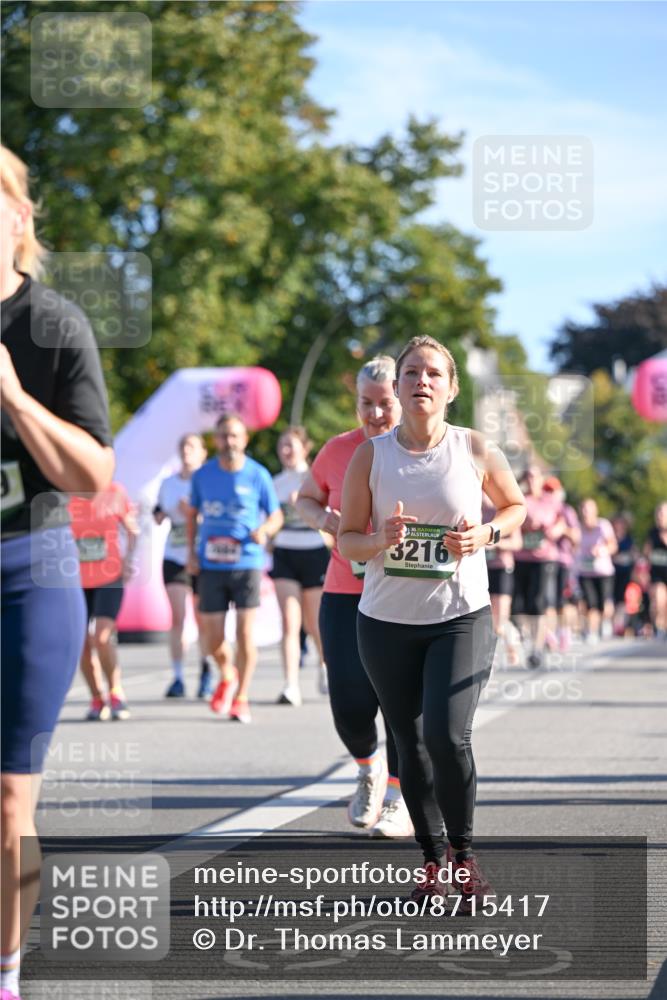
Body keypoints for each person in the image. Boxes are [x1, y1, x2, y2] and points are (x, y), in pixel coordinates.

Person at [339, 335, 526, 908]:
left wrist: (485, 534)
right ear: (396, 387)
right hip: (385, 621)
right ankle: (430, 859)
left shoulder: (474, 448)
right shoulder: (371, 456)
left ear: (451, 388)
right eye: (411, 372)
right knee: (410, 744)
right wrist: (379, 540)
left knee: (447, 736)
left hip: (459, 617)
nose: (421, 381)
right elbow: (348, 540)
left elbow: (517, 509)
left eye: (433, 374)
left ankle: (465, 858)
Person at [1, 145, 113, 1000]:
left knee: (9, 800)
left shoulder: (54, 326)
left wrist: (12, 395)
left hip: (27, 571)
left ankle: (5, 974)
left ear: (21, 220)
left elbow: (92, 476)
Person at [296, 357, 412, 838]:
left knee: (402, 704)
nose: (376, 414)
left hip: (406, 594)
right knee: (348, 699)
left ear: (402, 401)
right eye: (367, 404)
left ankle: (398, 796)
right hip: (345, 591)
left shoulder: (422, 451)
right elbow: (306, 498)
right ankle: (367, 766)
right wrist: (324, 519)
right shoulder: (339, 449)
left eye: (385, 404)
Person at [186, 413, 283, 724]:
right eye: (223, 436)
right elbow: (191, 515)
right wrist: (190, 552)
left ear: (244, 440)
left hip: (247, 563)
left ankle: (241, 696)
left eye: (234, 436)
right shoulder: (203, 475)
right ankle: (227, 674)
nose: (229, 442)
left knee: (244, 633)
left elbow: (276, 515)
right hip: (211, 563)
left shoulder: (258, 475)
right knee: (211, 640)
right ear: (215, 441)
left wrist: (265, 530)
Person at [68, 482, 139, 720]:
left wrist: (129, 559)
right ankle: (97, 698)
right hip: (74, 579)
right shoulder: (62, 493)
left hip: (110, 576)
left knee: (102, 636)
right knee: (80, 643)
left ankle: (116, 691)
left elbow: (133, 529)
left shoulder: (115, 491)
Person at [269, 426, 329, 705]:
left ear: (305, 448)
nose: (286, 451)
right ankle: (290, 684)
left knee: (314, 622)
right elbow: (268, 519)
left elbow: (328, 522)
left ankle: (324, 666)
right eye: (282, 446)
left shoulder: (315, 479)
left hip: (314, 551)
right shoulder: (275, 482)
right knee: (289, 622)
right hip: (285, 554)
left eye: (292, 446)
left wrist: (303, 507)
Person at [154, 432, 212, 698]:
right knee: (178, 617)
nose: (186, 450)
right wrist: (163, 513)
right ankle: (177, 677)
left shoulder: (209, 480)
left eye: (192, 446)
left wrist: (195, 512)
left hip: (204, 555)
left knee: (203, 619)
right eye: (183, 446)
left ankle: (206, 670)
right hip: (175, 554)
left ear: (202, 453)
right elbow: (157, 513)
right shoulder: (168, 483)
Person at [512, 466, 565, 668]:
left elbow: (562, 522)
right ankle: (530, 640)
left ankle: (537, 647)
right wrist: (524, 525)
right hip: (522, 556)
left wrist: (554, 530)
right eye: (528, 476)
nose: (532, 480)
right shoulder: (519, 498)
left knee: (538, 602)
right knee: (520, 604)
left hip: (544, 558)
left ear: (542, 479)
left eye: (535, 476)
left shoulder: (550, 500)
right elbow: (510, 519)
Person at [482, 496, 522, 666]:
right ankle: (491, 655)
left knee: (500, 619)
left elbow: (517, 542)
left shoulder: (505, 510)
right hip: (483, 568)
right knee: (489, 618)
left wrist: (494, 542)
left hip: (502, 567)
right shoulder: (475, 510)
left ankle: (512, 645)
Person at [543, 476, 580, 652]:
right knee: (548, 600)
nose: (549, 495)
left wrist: (562, 529)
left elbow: (576, 537)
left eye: (552, 491)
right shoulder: (540, 509)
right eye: (546, 491)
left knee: (563, 600)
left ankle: (565, 631)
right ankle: (551, 633)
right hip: (545, 560)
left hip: (563, 561)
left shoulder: (566, 511)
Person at [575, 498, 617, 643]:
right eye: (583, 509)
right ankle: (592, 632)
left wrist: (602, 550)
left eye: (588, 509)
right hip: (585, 572)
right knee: (590, 603)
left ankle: (605, 622)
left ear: (595, 511)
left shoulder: (603, 525)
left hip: (603, 572)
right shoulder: (578, 528)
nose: (586, 512)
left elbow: (613, 545)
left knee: (604, 604)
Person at [611, 513, 637, 636]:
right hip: (612, 573)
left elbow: (634, 555)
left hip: (625, 573)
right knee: (612, 599)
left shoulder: (629, 539)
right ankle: (611, 625)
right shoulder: (610, 538)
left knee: (622, 600)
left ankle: (619, 625)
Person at [645, 501, 667, 639]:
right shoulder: (652, 532)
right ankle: (659, 628)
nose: (660, 516)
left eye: (663, 514)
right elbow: (646, 553)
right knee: (659, 600)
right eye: (659, 514)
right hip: (657, 573)